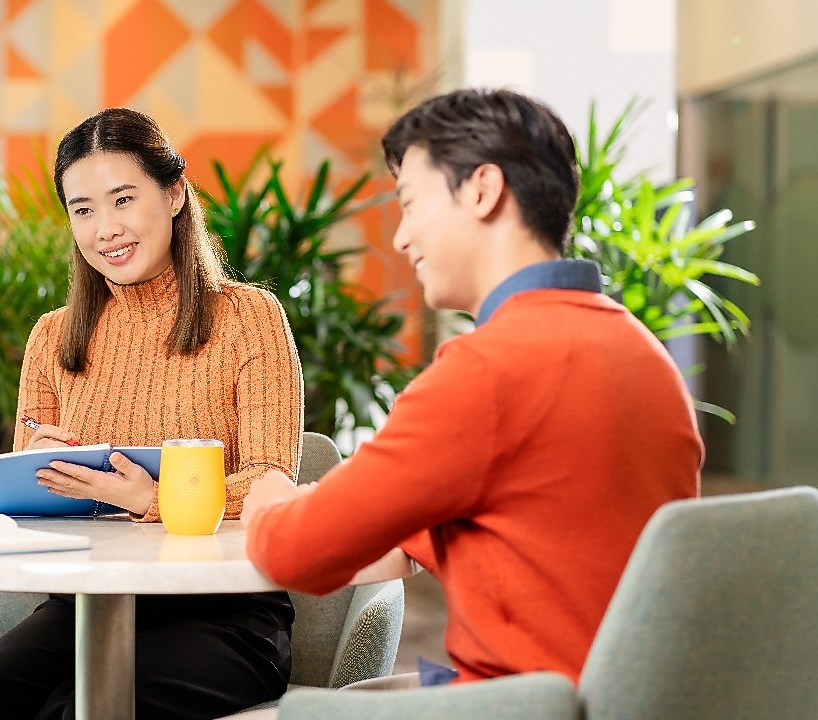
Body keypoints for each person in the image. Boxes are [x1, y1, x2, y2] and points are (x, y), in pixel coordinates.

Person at [242, 88, 704, 689]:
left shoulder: (486, 370)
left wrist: (269, 496)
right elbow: (540, 529)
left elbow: (292, 554)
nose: (402, 238)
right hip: (624, 698)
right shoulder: (642, 354)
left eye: (411, 204)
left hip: (516, 703)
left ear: (483, 190)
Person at [0, 108, 304, 720]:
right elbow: (25, 515)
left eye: (123, 200)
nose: (105, 229)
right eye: (82, 210)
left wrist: (155, 498)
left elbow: (272, 478)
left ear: (175, 195)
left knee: (74, 713)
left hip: (224, 611)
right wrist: (35, 474)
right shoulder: (52, 337)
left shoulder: (249, 318)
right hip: (86, 605)